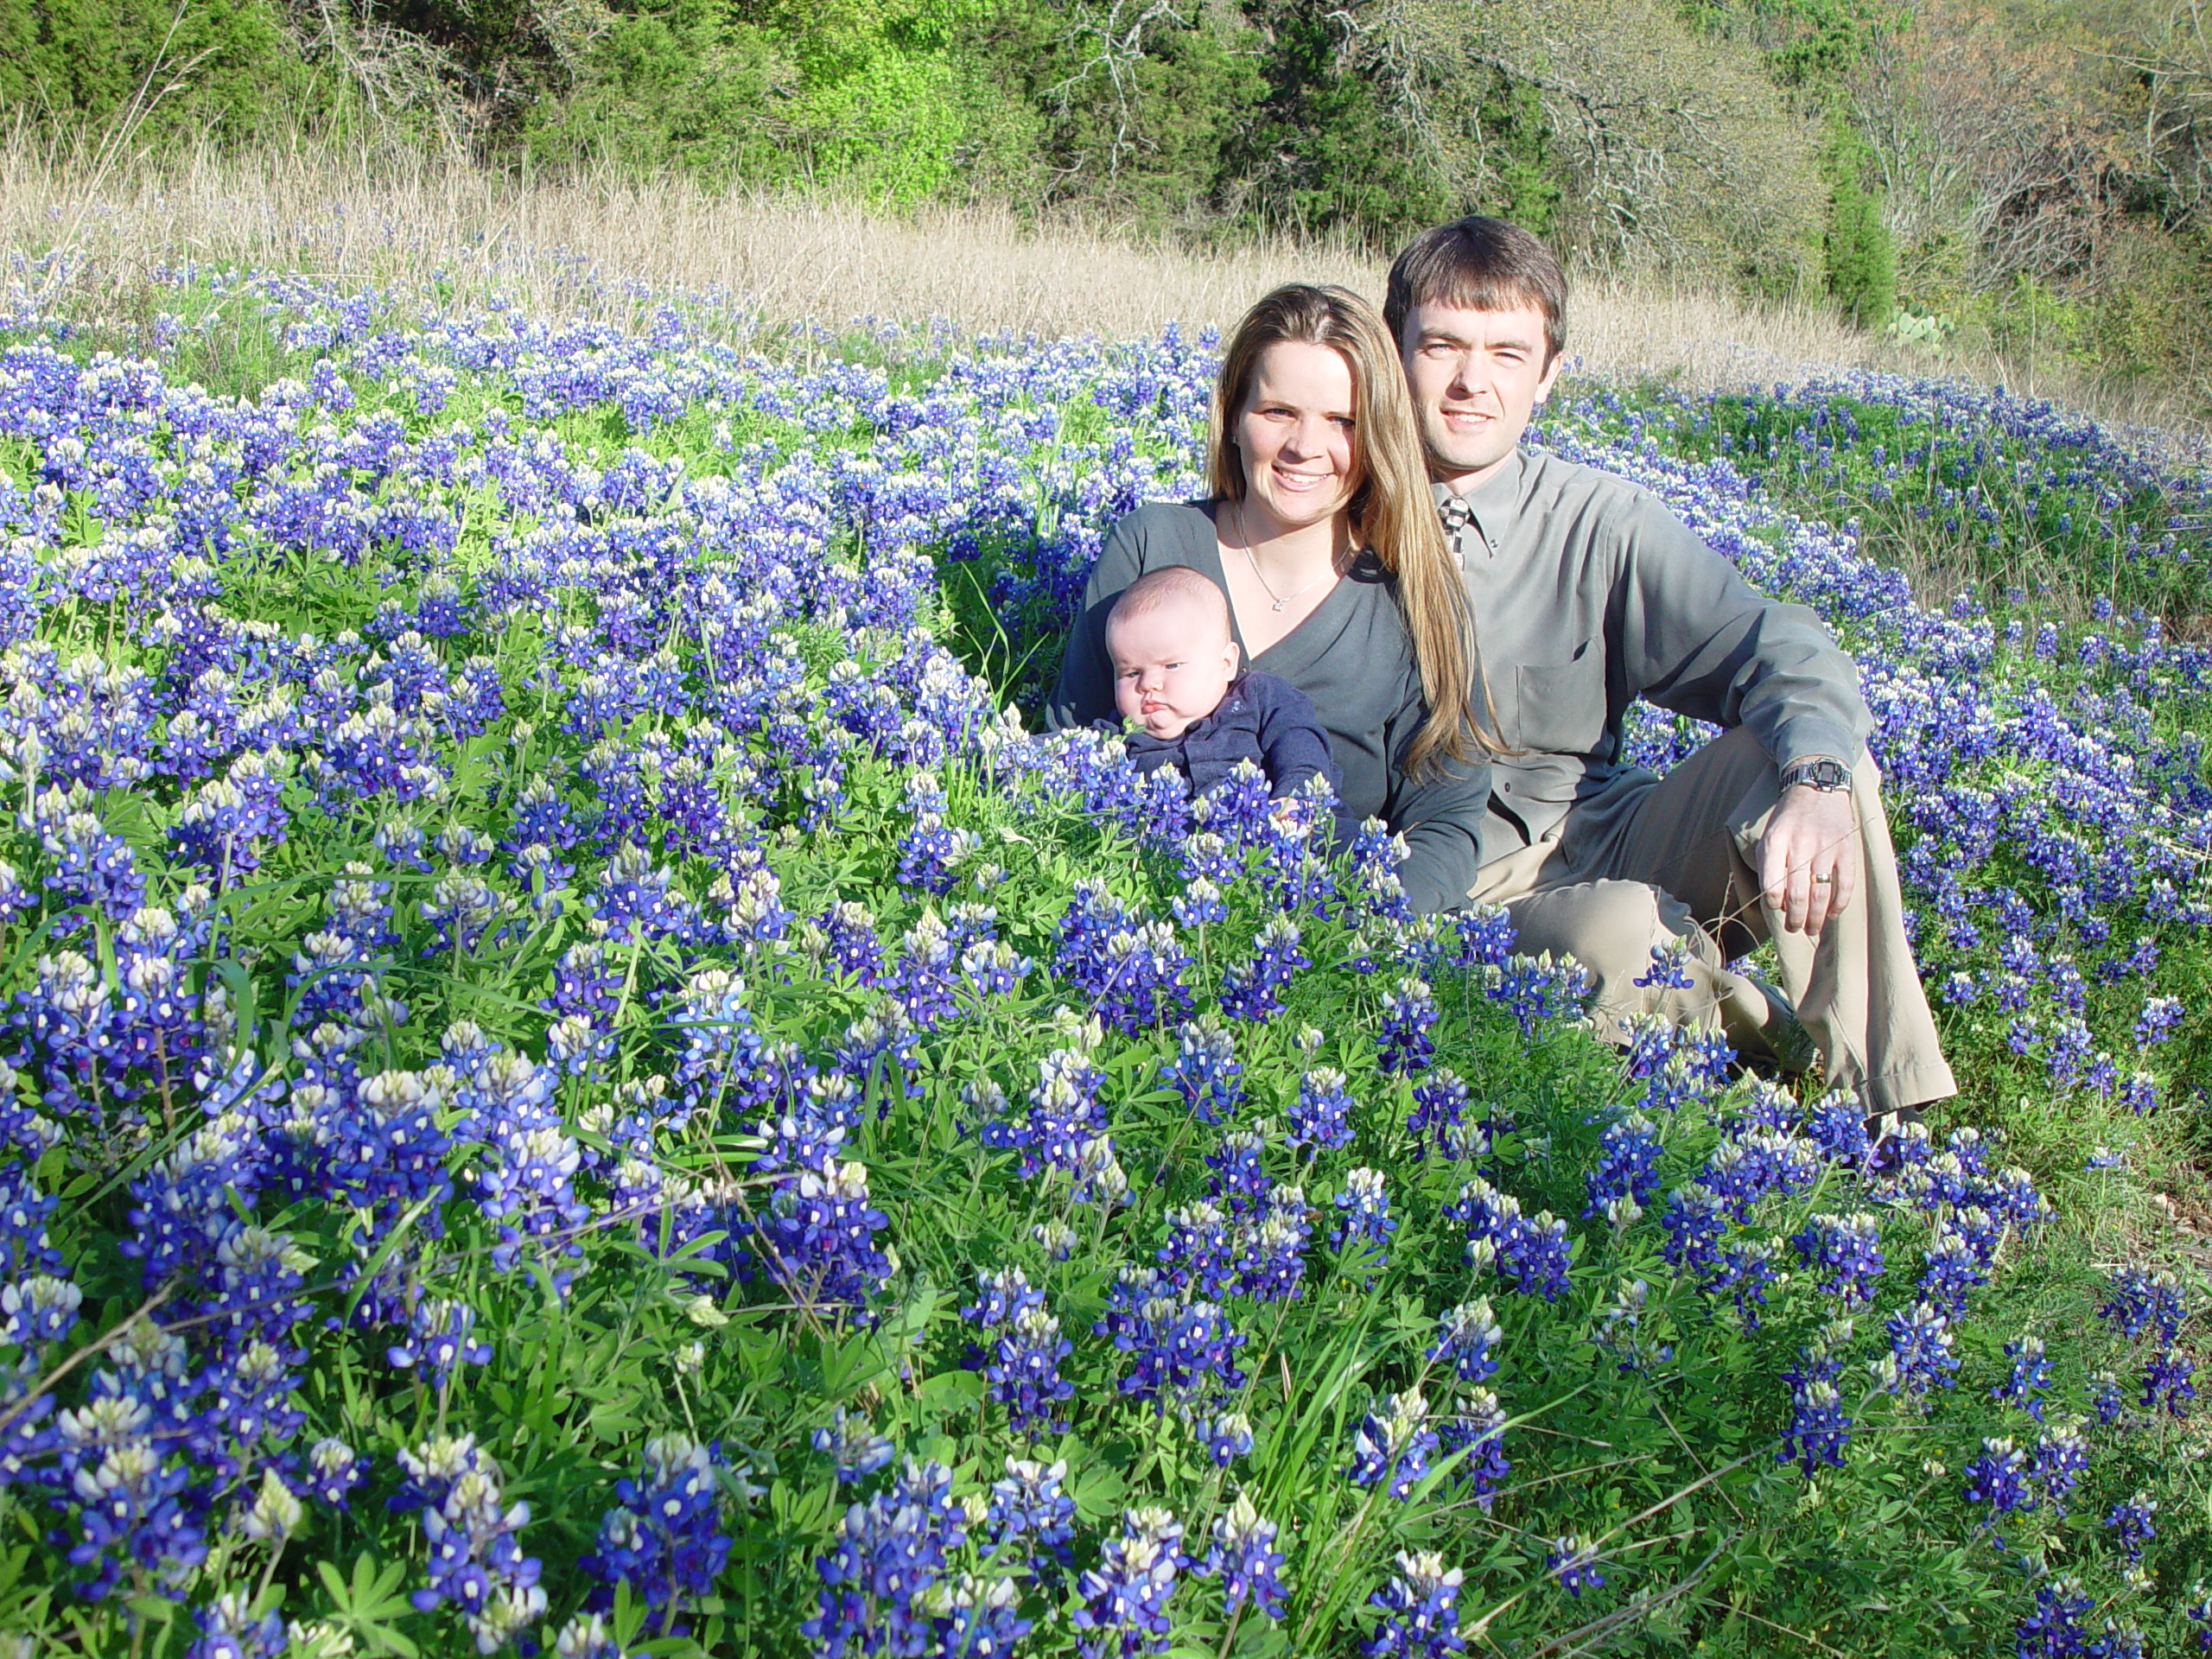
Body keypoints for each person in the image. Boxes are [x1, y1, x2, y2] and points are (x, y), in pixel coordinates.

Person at [1385, 213, 1955, 1120]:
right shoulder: (1335, 513)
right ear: (1392, 353)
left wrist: (1812, 781)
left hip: (1607, 832)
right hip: (1455, 879)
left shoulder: (1599, 519)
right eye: (1441, 346)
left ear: (1550, 374)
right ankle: (1752, 1026)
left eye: (1506, 352)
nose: (1470, 382)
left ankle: (1882, 1104)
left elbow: (1775, 645)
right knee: (1619, 939)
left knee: (1820, 762)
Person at [1047, 283, 1493, 916]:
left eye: (1342, 421)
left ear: (1379, 436)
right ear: (1234, 415)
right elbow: (1071, 748)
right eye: (1279, 412)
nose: (1305, 447)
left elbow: (1445, 824)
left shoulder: (1417, 593)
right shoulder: (1152, 544)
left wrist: (1364, 930)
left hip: (1325, 930)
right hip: (1139, 912)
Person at [1095, 565, 1344, 803]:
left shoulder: (1258, 696)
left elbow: (1298, 740)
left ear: (1226, 663)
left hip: (1279, 831)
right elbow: (1069, 756)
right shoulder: (1117, 737)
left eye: (1171, 666)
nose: (1148, 684)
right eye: (1131, 673)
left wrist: (1297, 794)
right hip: (1172, 841)